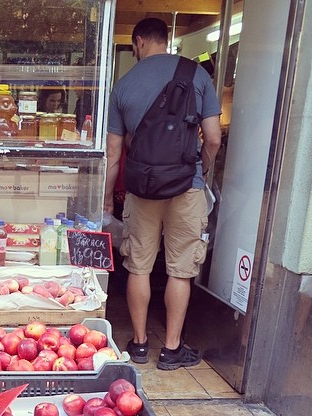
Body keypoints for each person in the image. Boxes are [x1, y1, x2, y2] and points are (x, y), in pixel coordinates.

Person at [104, 17, 222, 371]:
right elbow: (213, 138)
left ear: (139, 42)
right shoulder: (196, 74)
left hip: (143, 188)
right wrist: (199, 168)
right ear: (166, 39)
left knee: (138, 265)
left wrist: (108, 199)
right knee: (180, 269)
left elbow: (113, 154)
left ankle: (139, 345)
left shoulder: (124, 85)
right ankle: (171, 349)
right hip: (186, 186)